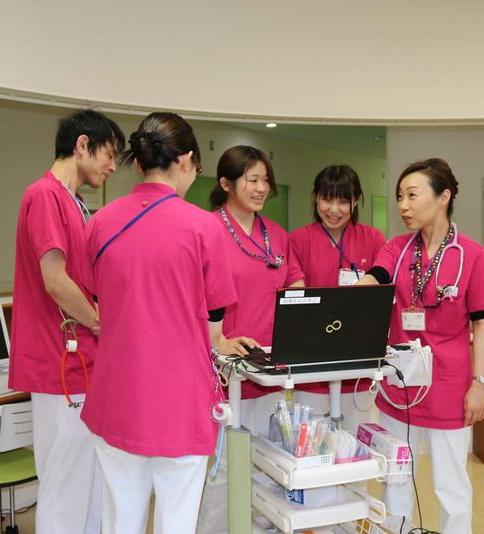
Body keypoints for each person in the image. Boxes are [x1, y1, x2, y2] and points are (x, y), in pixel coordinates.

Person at [81, 112, 237, 534]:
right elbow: (215, 330)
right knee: (176, 521)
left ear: (138, 162)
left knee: (120, 521)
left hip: (117, 398)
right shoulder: (204, 228)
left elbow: (98, 303)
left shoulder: (100, 222)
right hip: (179, 402)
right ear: (186, 160)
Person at [359, 158, 484, 534]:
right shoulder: (397, 249)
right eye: (399, 197)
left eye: (412, 195)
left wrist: (480, 384)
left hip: (449, 386)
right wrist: (353, 292)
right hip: (399, 385)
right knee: (395, 479)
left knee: (451, 486)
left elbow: (483, 325)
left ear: (443, 197)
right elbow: (377, 276)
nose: (402, 206)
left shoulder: (472, 255)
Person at [8, 110, 124, 534]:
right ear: (82, 145)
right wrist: (99, 322)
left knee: (88, 485)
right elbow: (55, 281)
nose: (113, 167)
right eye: (109, 155)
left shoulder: (75, 204)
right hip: (58, 361)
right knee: (65, 487)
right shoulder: (43, 195)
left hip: (82, 362)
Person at [196, 145, 304, 534]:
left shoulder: (276, 235)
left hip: (270, 369)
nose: (261, 188)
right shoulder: (207, 229)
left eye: (265, 180)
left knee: (267, 462)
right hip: (224, 372)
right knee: (226, 467)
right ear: (226, 183)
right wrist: (218, 342)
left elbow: (295, 285)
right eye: (251, 179)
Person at [289, 165, 386, 434]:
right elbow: (296, 299)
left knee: (356, 442)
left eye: (343, 201)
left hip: (358, 362)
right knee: (312, 442)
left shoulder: (373, 239)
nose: (334, 209)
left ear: (356, 201)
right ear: (315, 197)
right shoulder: (298, 241)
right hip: (312, 362)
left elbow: (381, 297)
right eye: (327, 199)